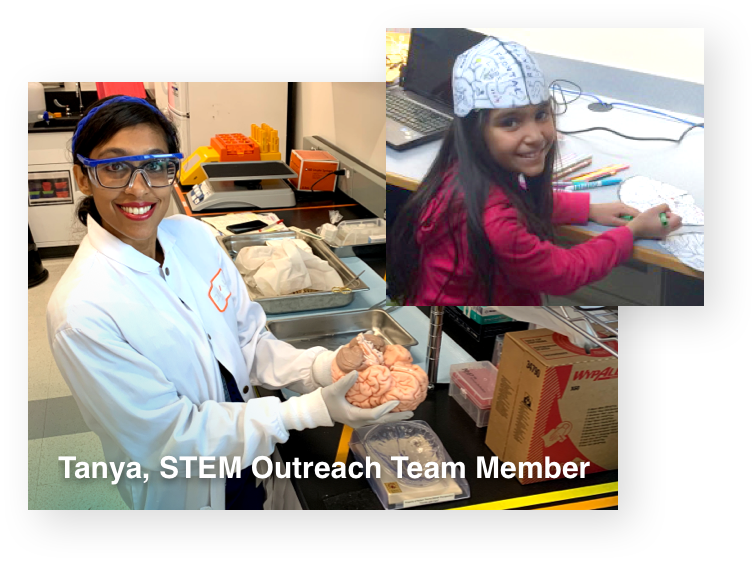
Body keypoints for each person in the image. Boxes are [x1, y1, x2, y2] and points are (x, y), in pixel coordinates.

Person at [46, 95, 411, 510]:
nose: (138, 188)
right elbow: (171, 438)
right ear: (82, 176)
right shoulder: (83, 311)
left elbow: (247, 341)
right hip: (187, 490)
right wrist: (308, 411)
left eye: (155, 165)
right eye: (115, 167)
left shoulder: (193, 239)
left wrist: (325, 367)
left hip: (252, 461)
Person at [387, 36, 682, 305]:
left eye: (541, 115)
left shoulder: (461, 171)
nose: (536, 135)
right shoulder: (496, 223)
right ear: (475, 130)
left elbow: (519, 198)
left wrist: (587, 209)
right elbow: (566, 272)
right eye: (510, 122)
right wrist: (633, 232)